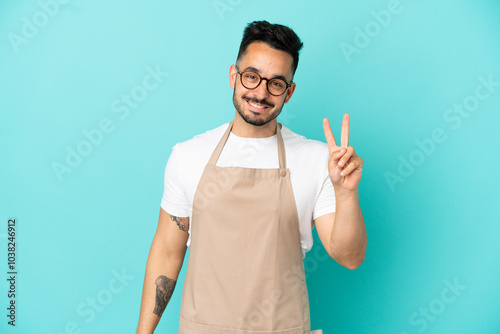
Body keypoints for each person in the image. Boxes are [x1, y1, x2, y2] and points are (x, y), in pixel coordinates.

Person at [136, 20, 366, 334]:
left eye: (276, 83)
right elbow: (167, 250)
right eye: (252, 77)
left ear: (289, 92)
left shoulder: (316, 160)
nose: (260, 92)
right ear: (234, 76)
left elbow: (349, 257)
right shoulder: (188, 155)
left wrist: (347, 192)